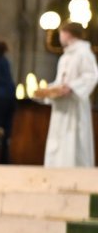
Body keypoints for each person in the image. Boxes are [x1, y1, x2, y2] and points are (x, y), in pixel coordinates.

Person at [40, 21, 97, 167]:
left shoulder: (84, 53)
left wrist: (72, 87)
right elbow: (61, 81)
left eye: (61, 33)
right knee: (58, 142)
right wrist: (48, 90)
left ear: (68, 33)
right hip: (61, 106)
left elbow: (91, 76)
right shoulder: (65, 57)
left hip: (75, 106)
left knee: (74, 140)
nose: (60, 37)